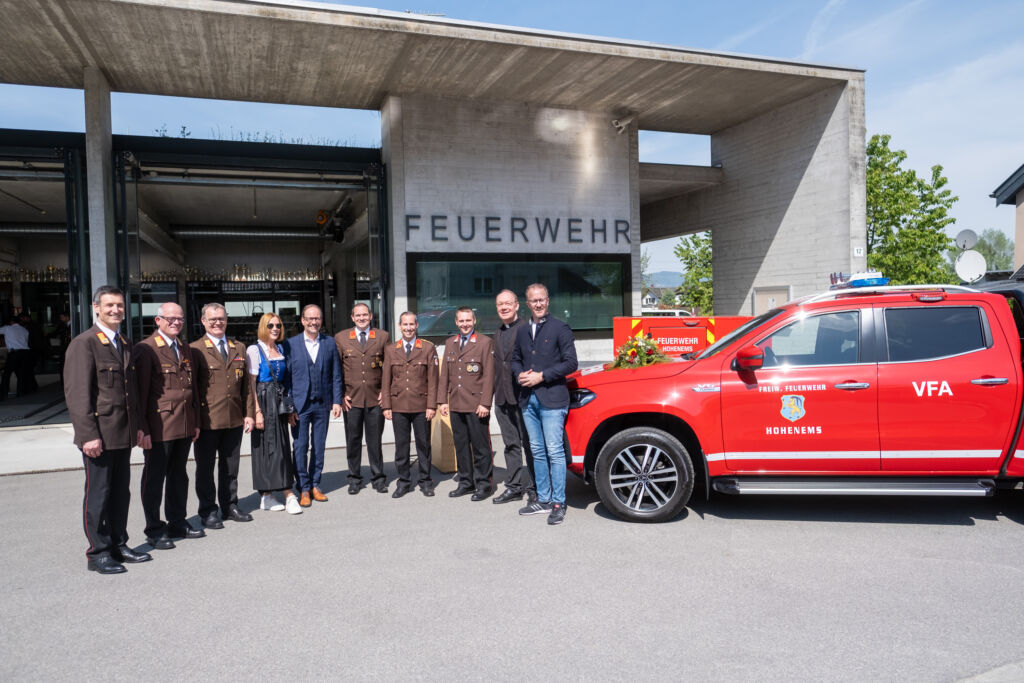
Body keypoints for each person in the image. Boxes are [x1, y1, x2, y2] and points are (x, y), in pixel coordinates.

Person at [64, 285, 150, 574]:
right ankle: (98, 552)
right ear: (96, 308)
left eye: (120, 305)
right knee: (98, 494)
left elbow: (131, 392)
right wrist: (88, 435)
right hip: (99, 434)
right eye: (109, 305)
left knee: (120, 493)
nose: (116, 310)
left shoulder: (123, 342)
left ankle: (118, 543)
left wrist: (138, 427)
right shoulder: (84, 343)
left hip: (122, 433)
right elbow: (78, 395)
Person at [133, 302, 203, 549]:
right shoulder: (146, 348)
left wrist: (195, 421)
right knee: (154, 479)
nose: (176, 322)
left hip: (184, 423)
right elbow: (140, 394)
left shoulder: (184, 347)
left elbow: (192, 387)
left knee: (178, 476)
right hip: (159, 426)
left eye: (179, 319)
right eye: (170, 318)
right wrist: (142, 428)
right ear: (158, 320)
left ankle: (177, 521)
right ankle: (154, 528)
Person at [511, 283, 578, 525]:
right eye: (534, 300)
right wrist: (519, 374)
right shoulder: (521, 331)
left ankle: (559, 502)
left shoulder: (560, 328)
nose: (538, 304)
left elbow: (571, 363)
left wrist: (542, 376)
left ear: (547, 301)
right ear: (527, 304)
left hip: (552, 399)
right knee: (537, 451)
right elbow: (515, 359)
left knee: (554, 451)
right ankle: (544, 498)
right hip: (528, 400)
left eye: (542, 299)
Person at [190, 303, 256, 529]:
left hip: (234, 418)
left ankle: (230, 506)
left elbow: (246, 387)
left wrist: (249, 414)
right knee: (205, 469)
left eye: (221, 319)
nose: (218, 323)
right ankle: (208, 510)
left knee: (230, 467)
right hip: (207, 421)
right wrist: (194, 421)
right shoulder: (195, 349)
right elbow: (192, 389)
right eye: (213, 319)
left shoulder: (238, 347)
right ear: (203, 321)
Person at [285, 304, 343, 507]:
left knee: (319, 446)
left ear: (321, 320)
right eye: (310, 318)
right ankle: (303, 487)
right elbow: (286, 379)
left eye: (317, 318)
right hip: (300, 406)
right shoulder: (290, 344)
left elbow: (336, 374)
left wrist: (337, 400)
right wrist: (289, 407)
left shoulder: (329, 342)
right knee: (300, 446)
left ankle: (315, 484)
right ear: (303, 321)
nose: (314, 322)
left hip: (322, 404)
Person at [438, 307, 495, 501]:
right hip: (456, 403)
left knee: (480, 447)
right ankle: (465, 482)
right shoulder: (450, 343)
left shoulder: (484, 342)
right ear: (456, 322)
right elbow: (445, 374)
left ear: (474, 320)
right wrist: (442, 401)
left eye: (468, 320)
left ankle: (483, 484)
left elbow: (489, 375)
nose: (465, 324)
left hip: (476, 404)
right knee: (461, 446)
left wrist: (485, 403)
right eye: (461, 321)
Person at [247, 312, 302, 515]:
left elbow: (286, 381)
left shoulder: (280, 348)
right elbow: (251, 384)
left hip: (278, 400)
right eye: (270, 325)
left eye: (278, 325)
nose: (275, 329)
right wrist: (256, 411)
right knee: (265, 448)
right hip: (263, 400)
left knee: (281, 446)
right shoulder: (254, 350)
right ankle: (271, 495)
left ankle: (283, 492)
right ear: (263, 327)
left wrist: (289, 408)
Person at [334, 303, 391, 494]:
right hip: (351, 399)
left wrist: (385, 391)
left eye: (364, 315)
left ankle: (378, 478)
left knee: (375, 441)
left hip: (375, 398)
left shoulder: (382, 336)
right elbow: (337, 370)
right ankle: (354, 478)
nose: (361, 318)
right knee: (353, 441)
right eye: (358, 315)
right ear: (352, 317)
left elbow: (389, 367)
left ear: (371, 316)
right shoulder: (341, 338)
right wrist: (341, 395)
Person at [381, 311, 438, 498]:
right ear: (399, 326)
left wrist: (431, 406)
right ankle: (404, 482)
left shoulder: (427, 348)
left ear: (417, 326)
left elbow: (433, 380)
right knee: (401, 447)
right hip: (398, 405)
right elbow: (386, 380)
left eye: (411, 324)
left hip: (421, 405)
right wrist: (386, 406)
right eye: (405, 324)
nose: (408, 328)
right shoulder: (391, 349)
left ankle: (425, 482)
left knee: (424, 446)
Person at [491, 290, 536, 505]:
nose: (504, 307)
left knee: (530, 445)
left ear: (517, 305)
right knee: (510, 445)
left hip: (523, 397)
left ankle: (535, 488)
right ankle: (514, 487)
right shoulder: (497, 333)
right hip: (502, 398)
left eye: (508, 303)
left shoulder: (527, 329)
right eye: (500, 304)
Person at [0, 314, 35, 399]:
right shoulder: (25, 330)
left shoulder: (7, 328)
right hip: (25, 353)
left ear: (11, 322)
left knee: (7, 374)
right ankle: (21, 392)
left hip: (14, 353)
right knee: (21, 374)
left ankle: (3, 393)